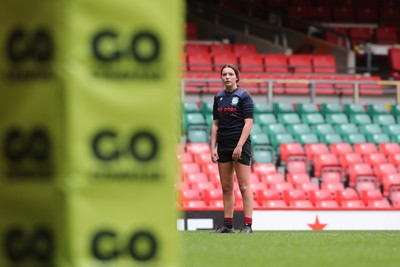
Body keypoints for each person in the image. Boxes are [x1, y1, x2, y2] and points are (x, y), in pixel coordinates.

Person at [210, 63, 254, 234]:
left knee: (244, 186)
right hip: (223, 145)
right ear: (221, 77)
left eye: (230, 74)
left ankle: (248, 225)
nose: (227, 77)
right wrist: (213, 147)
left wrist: (240, 146)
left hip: (239, 143)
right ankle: (228, 225)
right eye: (224, 74)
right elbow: (215, 124)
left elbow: (248, 122)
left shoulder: (244, 96)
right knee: (226, 187)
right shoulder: (218, 97)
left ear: (237, 77)